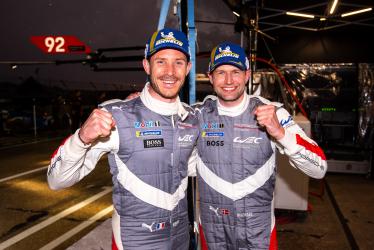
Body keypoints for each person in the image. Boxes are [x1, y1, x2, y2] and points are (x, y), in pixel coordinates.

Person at [47, 28, 199, 250]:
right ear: (146, 65)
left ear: (188, 68)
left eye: (178, 62)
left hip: (181, 240)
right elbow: (57, 181)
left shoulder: (192, 118)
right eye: (160, 62)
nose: (170, 71)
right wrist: (81, 138)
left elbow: (201, 165)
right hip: (134, 242)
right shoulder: (116, 115)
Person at [191, 42, 328, 249]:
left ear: (247, 75)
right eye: (221, 72)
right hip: (212, 232)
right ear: (210, 77)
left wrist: (280, 134)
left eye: (235, 72)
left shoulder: (273, 112)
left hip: (258, 233)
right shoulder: (197, 115)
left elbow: (319, 168)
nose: (229, 80)